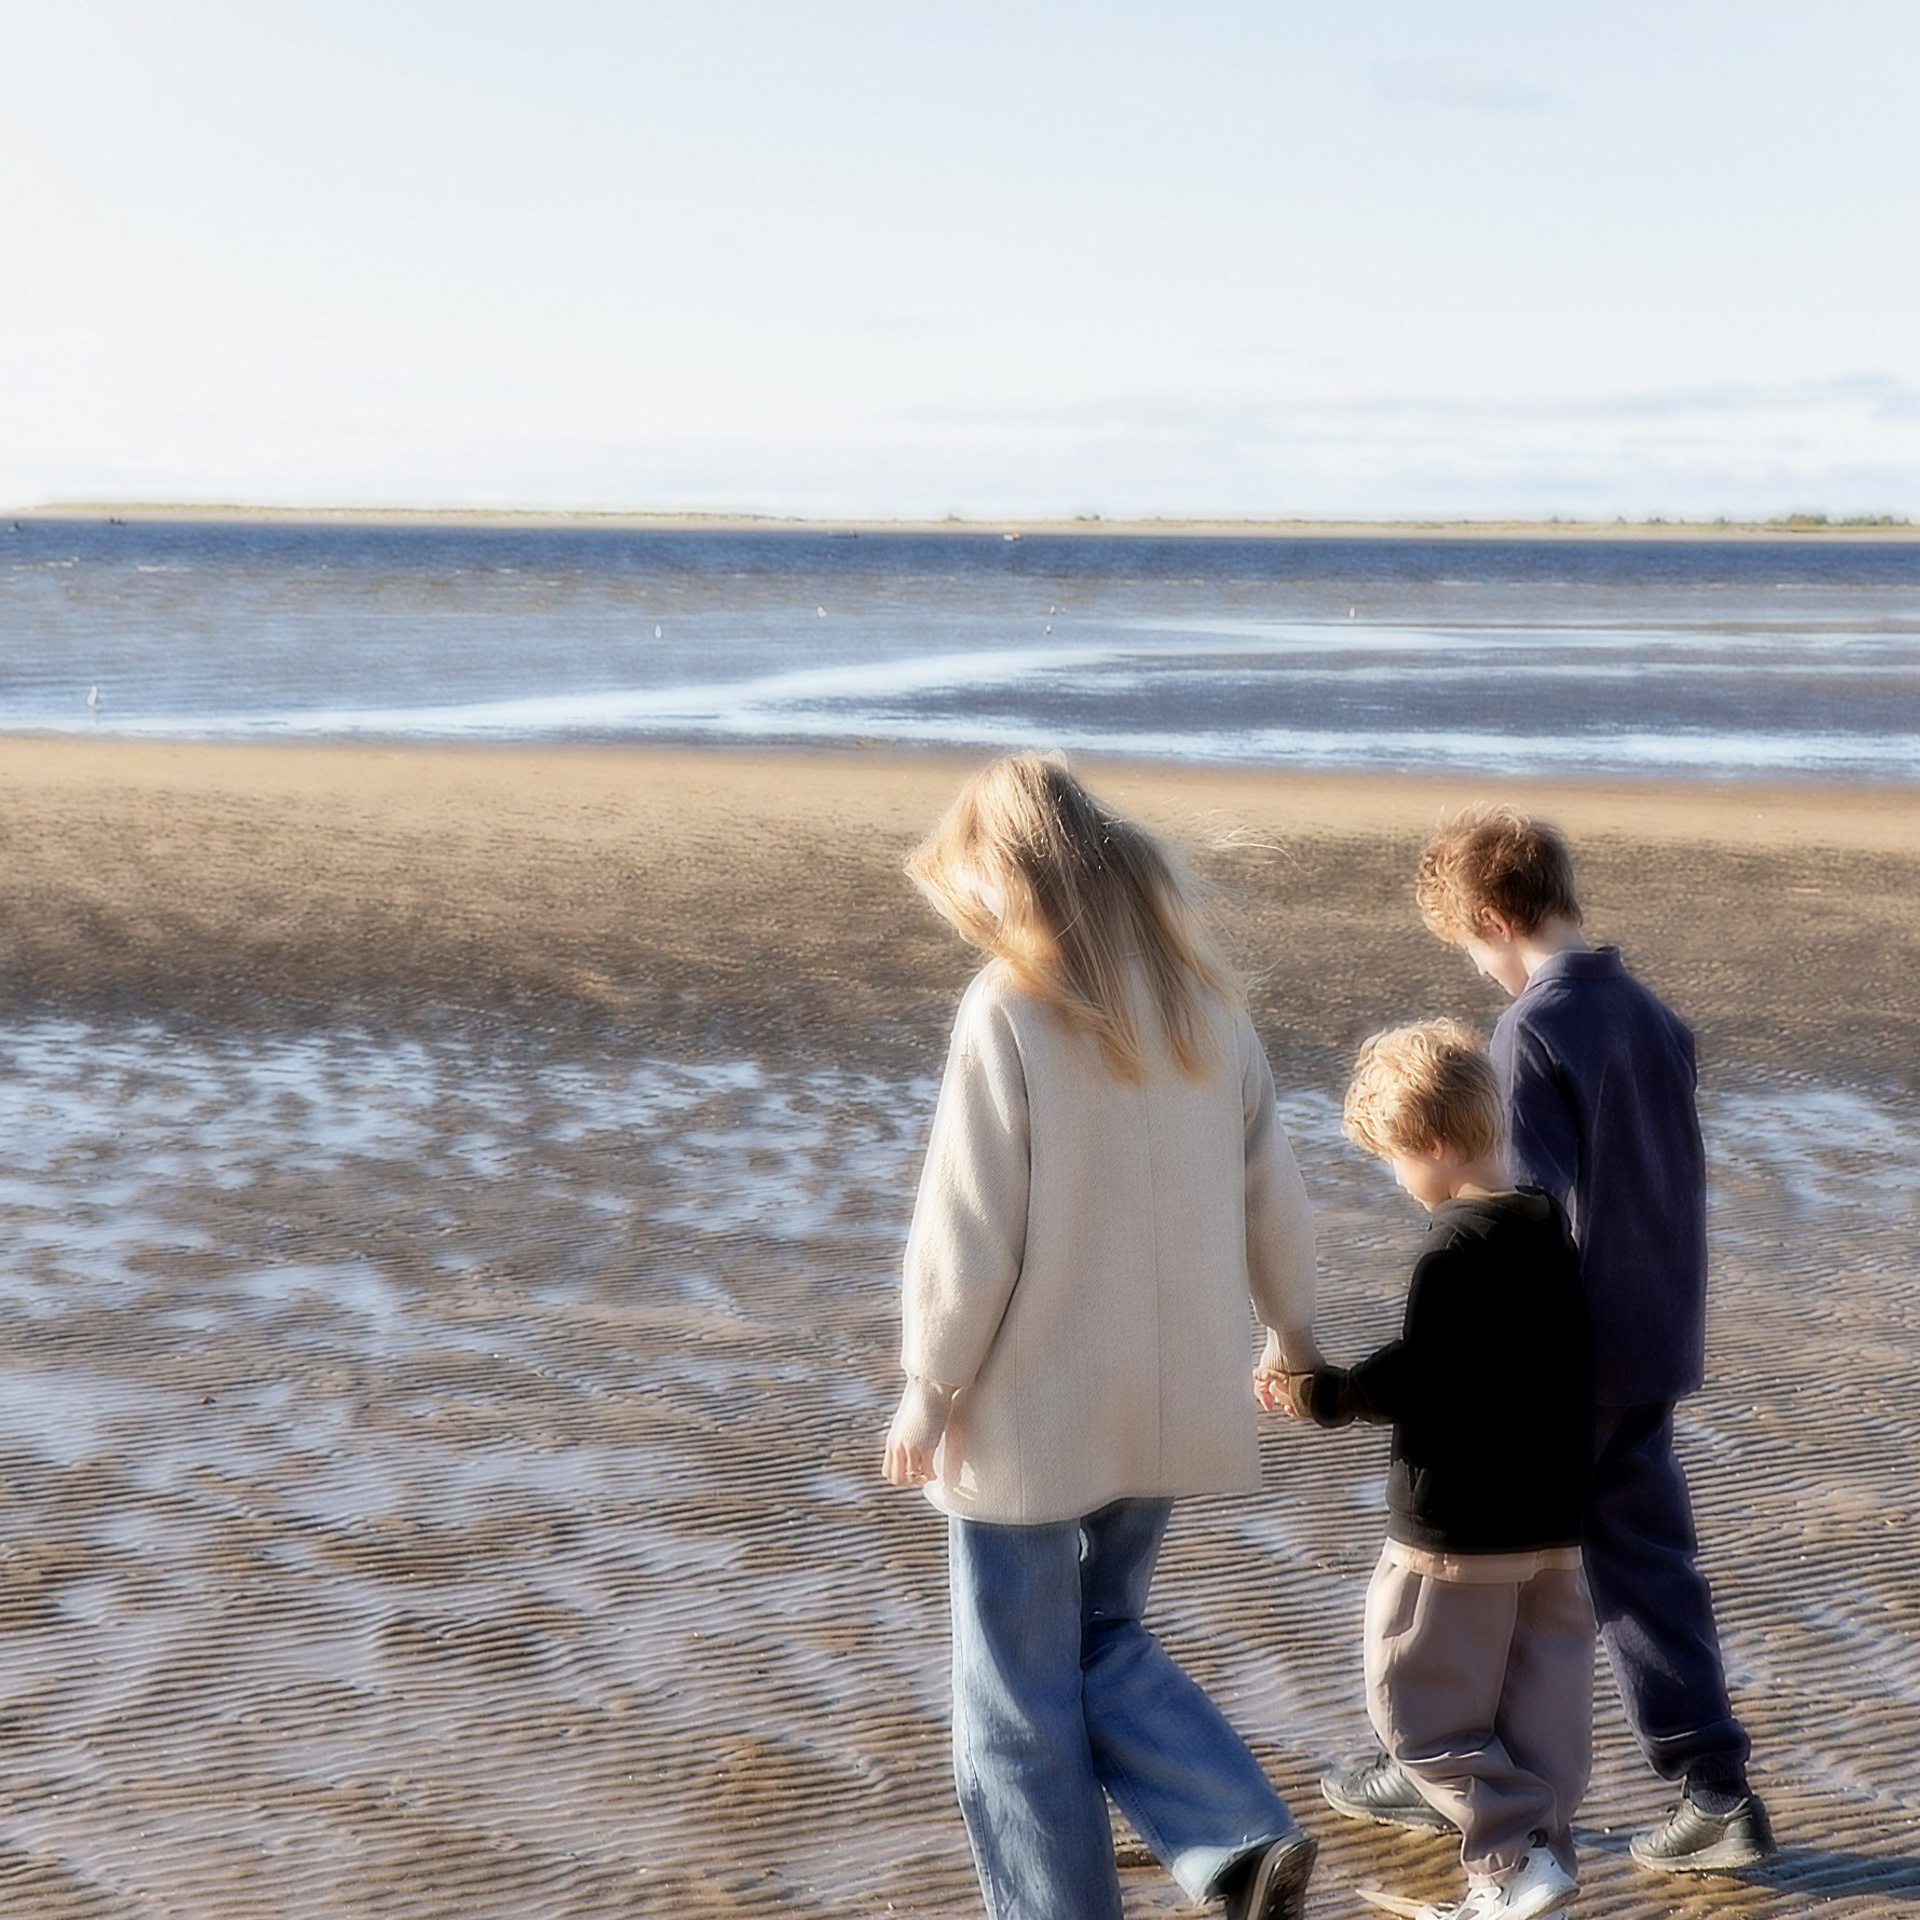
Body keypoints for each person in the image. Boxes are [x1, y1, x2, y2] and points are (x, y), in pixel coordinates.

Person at [880, 752, 1322, 1920]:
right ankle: (1234, 1838)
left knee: (1014, 1700)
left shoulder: (1011, 1004)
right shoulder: (1204, 1004)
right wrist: (1293, 1332)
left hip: (1032, 1407)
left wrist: (929, 1385)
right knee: (1102, 1635)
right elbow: (1271, 1193)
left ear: (1004, 876)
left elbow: (970, 1226)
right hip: (1167, 1399)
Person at [1321, 804, 1773, 1875]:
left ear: (1491, 919)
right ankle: (1713, 1784)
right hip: (1661, 1327)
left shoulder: (1534, 1028)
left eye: (1472, 950)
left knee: (1476, 1554)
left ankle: (1452, 1770)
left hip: (1571, 1353)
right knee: (1644, 1564)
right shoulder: (1651, 1013)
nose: (1481, 971)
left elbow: (1528, 1205)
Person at [1293, 1020, 1593, 1920]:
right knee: (1540, 1707)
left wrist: (1328, 1395)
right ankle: (1535, 1865)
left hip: (1455, 1529)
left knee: (1414, 1707)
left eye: (1392, 1161)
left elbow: (1420, 1374)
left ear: (1431, 1145)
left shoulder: (1452, 1250)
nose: (1397, 1182)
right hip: (1553, 1524)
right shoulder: (1548, 1226)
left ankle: (1507, 1858)